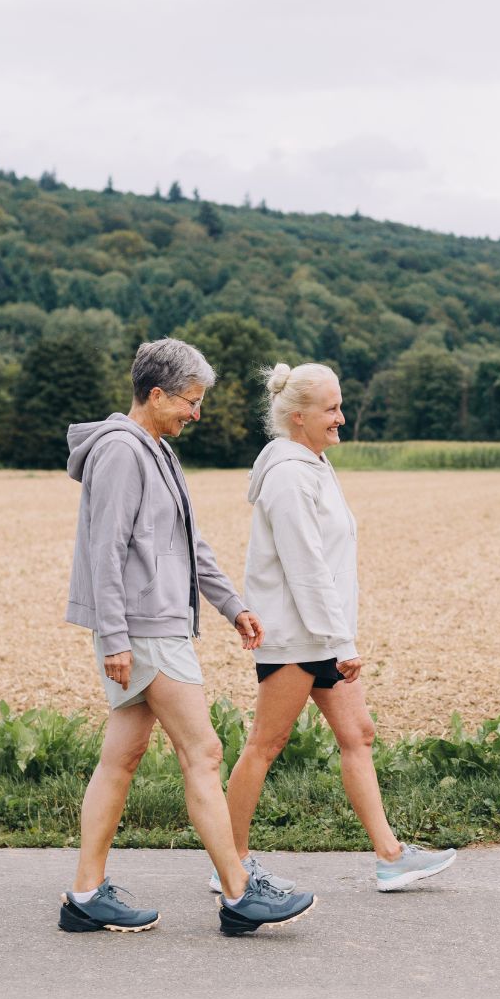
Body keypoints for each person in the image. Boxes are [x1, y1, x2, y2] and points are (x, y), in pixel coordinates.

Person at [59, 337, 315, 936]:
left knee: (120, 760)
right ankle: (238, 893)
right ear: (155, 394)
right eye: (190, 401)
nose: (197, 413)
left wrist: (232, 606)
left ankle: (85, 895)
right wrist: (116, 637)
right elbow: (107, 551)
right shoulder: (124, 452)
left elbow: (189, 545)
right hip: (146, 631)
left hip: (151, 627)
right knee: (203, 753)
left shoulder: (158, 450)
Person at [218, 362, 456, 893]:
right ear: (297, 415)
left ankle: (391, 857)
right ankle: (230, 862)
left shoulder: (315, 465)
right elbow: (305, 569)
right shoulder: (286, 475)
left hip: (322, 634)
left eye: (339, 405)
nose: (341, 417)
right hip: (296, 636)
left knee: (358, 735)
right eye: (331, 409)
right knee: (265, 744)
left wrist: (339, 635)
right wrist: (341, 641)